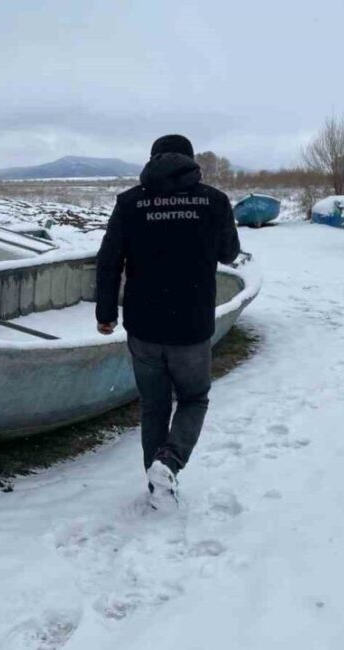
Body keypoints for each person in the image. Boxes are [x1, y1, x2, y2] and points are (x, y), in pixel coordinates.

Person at [95, 134, 240, 509]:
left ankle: (157, 485)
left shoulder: (130, 203)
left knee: (154, 406)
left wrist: (106, 315)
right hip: (191, 328)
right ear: (190, 163)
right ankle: (168, 463)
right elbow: (230, 253)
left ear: (153, 159)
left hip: (143, 326)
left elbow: (109, 261)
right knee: (193, 398)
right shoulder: (214, 201)